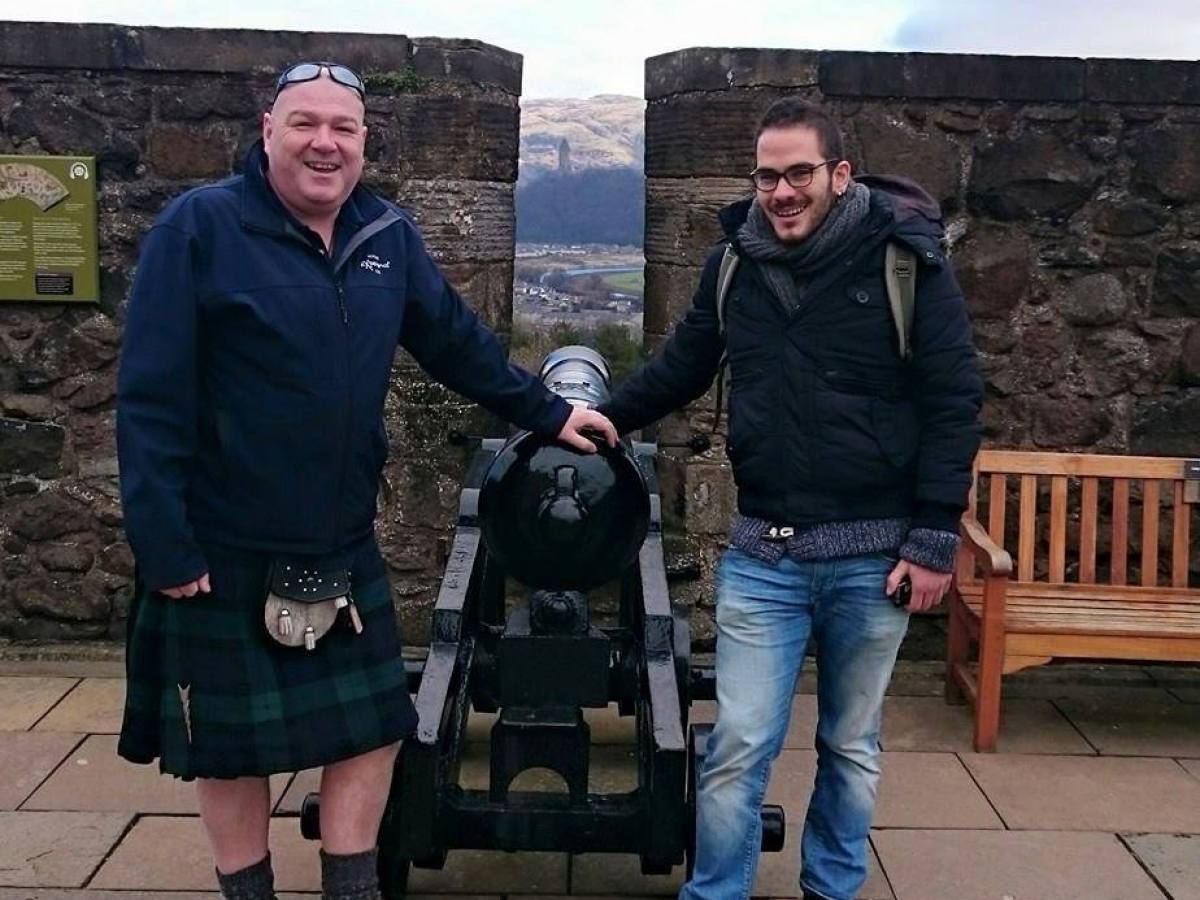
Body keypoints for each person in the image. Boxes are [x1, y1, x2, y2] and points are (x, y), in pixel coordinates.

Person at [115, 61, 616, 900]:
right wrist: (163, 541)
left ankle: (352, 891)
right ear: (268, 130)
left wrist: (546, 412)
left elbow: (455, 341)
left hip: (341, 537)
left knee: (375, 730)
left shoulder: (384, 234)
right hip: (223, 540)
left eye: (342, 128)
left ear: (363, 142)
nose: (325, 143)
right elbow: (150, 396)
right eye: (305, 123)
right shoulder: (198, 228)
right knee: (229, 749)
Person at [599, 98, 982, 900]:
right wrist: (598, 418)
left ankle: (832, 889)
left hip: (874, 557)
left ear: (839, 176)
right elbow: (684, 366)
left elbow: (952, 402)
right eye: (768, 176)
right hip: (764, 554)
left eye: (799, 173)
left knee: (851, 744)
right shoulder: (735, 262)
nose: (781, 192)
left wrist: (933, 537)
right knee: (738, 742)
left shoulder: (904, 261)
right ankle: (717, 893)